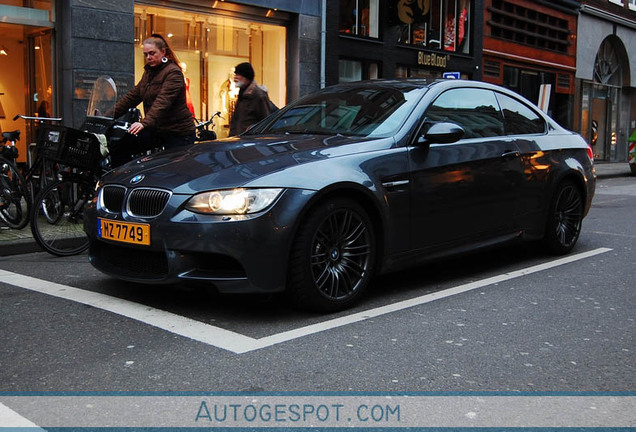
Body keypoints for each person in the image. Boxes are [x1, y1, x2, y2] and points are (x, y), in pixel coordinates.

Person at [111, 33, 195, 152]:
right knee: (122, 148)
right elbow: (132, 97)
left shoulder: (173, 73)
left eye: (152, 53)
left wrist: (144, 123)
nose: (148, 57)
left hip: (178, 132)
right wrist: (107, 116)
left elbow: (163, 102)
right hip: (158, 129)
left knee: (171, 167)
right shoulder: (149, 73)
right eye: (146, 54)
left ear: (163, 52)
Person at [229, 62, 274, 136]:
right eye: (235, 74)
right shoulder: (242, 94)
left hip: (250, 141)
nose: (235, 77)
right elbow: (236, 121)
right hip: (239, 140)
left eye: (238, 74)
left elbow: (265, 120)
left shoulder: (258, 95)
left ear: (246, 77)